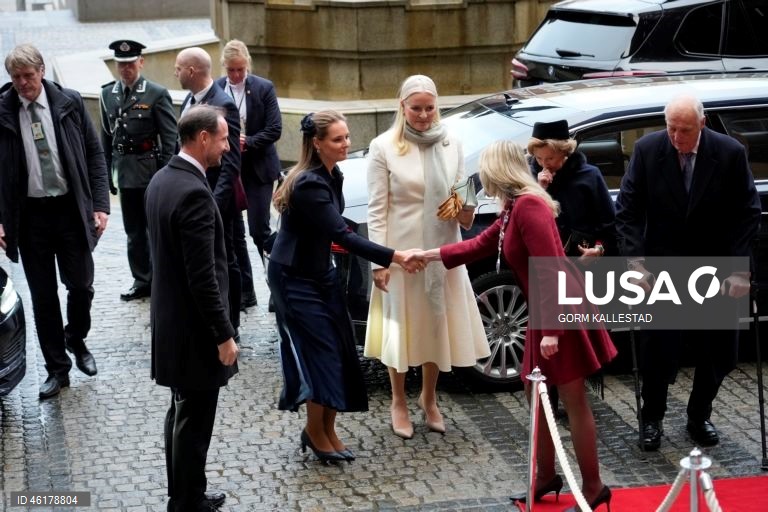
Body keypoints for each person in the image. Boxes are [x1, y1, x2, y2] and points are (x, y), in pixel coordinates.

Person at [419, 140, 617, 511]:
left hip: (559, 310)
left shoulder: (529, 208)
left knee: (573, 400)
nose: (483, 184)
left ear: (497, 174)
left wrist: (554, 331)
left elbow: (552, 269)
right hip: (545, 310)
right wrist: (429, 255)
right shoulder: (516, 206)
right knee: (534, 394)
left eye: (485, 176)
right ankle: (546, 475)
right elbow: (480, 244)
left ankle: (593, 487)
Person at [269, 110, 422, 463]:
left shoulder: (331, 173)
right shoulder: (308, 183)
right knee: (319, 353)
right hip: (294, 279)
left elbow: (337, 226)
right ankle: (316, 431)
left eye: (347, 137)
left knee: (339, 350)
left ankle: (328, 428)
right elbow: (341, 234)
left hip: (320, 272)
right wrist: (394, 256)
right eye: (338, 139)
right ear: (317, 143)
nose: (347, 144)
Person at [615, 94, 760, 450]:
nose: (677, 137)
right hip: (663, 268)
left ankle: (699, 414)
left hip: (717, 267)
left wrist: (740, 270)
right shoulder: (649, 150)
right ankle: (652, 417)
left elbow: (747, 212)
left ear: (702, 124)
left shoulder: (728, 153)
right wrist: (636, 264)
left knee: (719, 352)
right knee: (657, 351)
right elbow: (628, 211)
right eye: (671, 129)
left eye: (685, 130)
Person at [363, 74, 490, 439]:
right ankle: (398, 400)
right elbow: (377, 210)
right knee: (400, 327)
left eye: (429, 108)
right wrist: (381, 261)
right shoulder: (383, 146)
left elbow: (463, 193)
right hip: (401, 253)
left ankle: (429, 398)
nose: (422, 115)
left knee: (437, 323)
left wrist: (466, 205)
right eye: (416, 108)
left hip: (440, 249)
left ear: (438, 107)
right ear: (402, 107)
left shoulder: (452, 143)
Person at [0, 44, 109, 399]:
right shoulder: (3, 110)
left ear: (42, 71)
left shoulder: (70, 102)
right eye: (16, 78)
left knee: (81, 286)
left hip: (69, 210)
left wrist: (101, 205)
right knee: (43, 297)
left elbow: (94, 153)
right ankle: (56, 370)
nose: (23, 84)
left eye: (28, 76)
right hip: (29, 217)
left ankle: (75, 338)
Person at [145, 105, 239, 511]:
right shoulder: (194, 194)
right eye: (222, 139)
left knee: (181, 413)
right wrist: (223, 335)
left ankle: (188, 491)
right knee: (194, 421)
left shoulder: (162, 180)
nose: (227, 146)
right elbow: (203, 278)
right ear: (202, 139)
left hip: (173, 324)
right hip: (195, 332)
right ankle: (185, 502)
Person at [528, 119, 616, 415]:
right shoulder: (531, 177)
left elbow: (608, 223)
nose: (544, 164)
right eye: (539, 159)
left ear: (564, 152)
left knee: (572, 335)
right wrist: (539, 190)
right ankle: (548, 396)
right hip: (545, 270)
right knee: (547, 333)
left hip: (580, 266)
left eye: (549, 158)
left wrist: (599, 249)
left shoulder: (589, 176)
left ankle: (573, 393)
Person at [100, 39, 177, 302]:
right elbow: (106, 137)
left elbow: (170, 138)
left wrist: (168, 173)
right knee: (133, 232)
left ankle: (163, 279)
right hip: (124, 171)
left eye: (130, 63)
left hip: (150, 170)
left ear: (141, 62)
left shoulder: (155, 93)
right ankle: (142, 279)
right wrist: (106, 172)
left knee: (156, 229)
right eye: (121, 65)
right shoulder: (107, 94)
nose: (126, 69)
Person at [175, 47, 244, 338]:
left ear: (191, 71)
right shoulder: (189, 101)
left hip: (216, 201)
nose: (175, 72)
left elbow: (231, 163)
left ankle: (232, 324)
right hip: (193, 196)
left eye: (178, 68)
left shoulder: (222, 104)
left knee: (225, 259)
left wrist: (214, 204)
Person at [215, 39, 282, 310]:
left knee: (258, 229)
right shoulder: (218, 88)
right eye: (231, 70)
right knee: (233, 233)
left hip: (258, 169)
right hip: (230, 168)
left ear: (247, 66)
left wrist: (248, 142)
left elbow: (275, 128)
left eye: (240, 70)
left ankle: (275, 283)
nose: (235, 75)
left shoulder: (263, 88)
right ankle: (245, 290)